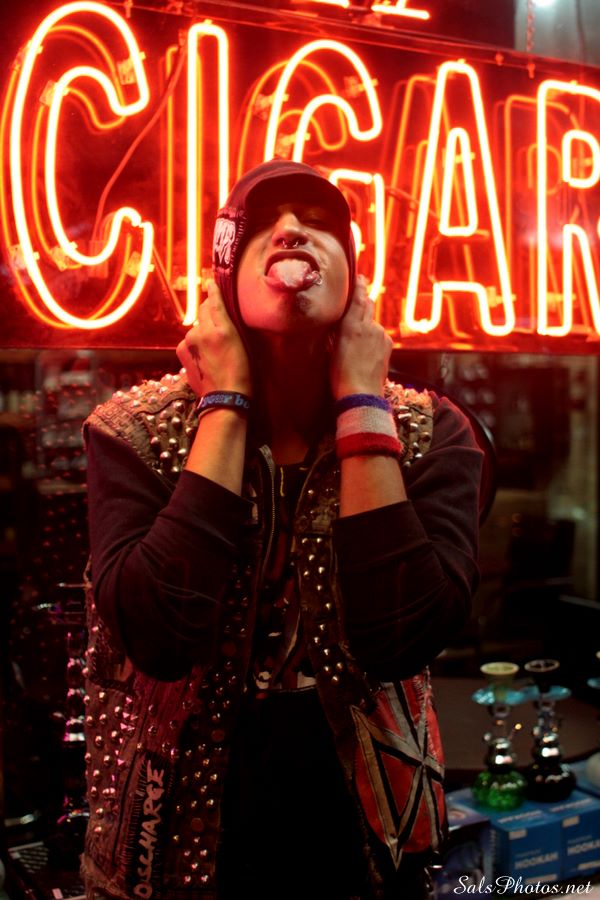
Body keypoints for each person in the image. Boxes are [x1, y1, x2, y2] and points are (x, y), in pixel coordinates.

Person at [81, 159, 483, 900]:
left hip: (367, 846)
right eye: (263, 224)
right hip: (175, 848)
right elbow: (161, 635)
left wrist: (363, 401)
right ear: (223, 273)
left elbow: (403, 635)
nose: (293, 231)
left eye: (322, 223)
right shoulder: (130, 431)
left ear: (354, 279)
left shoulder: (434, 432)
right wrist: (225, 403)